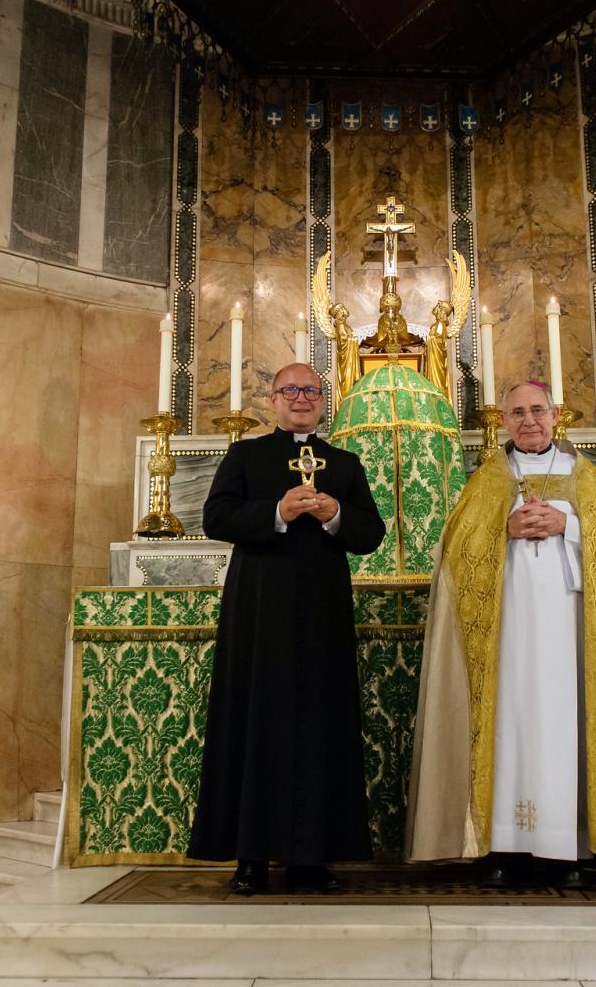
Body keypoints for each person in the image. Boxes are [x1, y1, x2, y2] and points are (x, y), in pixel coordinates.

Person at [405, 381, 596, 888]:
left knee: (565, 725)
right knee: (508, 724)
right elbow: (456, 551)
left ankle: (568, 847)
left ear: (555, 415)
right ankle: (503, 845)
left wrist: (568, 523)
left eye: (537, 410)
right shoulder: (488, 478)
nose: (528, 421)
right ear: (504, 422)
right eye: (517, 413)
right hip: (505, 635)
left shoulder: (583, 476)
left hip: (568, 632)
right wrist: (500, 530)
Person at [187, 362, 387, 894]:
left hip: (323, 618)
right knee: (255, 723)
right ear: (273, 399)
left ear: (324, 401)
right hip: (258, 615)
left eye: (311, 391)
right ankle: (249, 857)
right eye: (290, 390)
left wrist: (335, 513)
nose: (301, 398)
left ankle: (311, 859)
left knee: (320, 725)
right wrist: (276, 512)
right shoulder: (247, 455)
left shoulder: (344, 463)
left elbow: (370, 533)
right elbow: (216, 518)